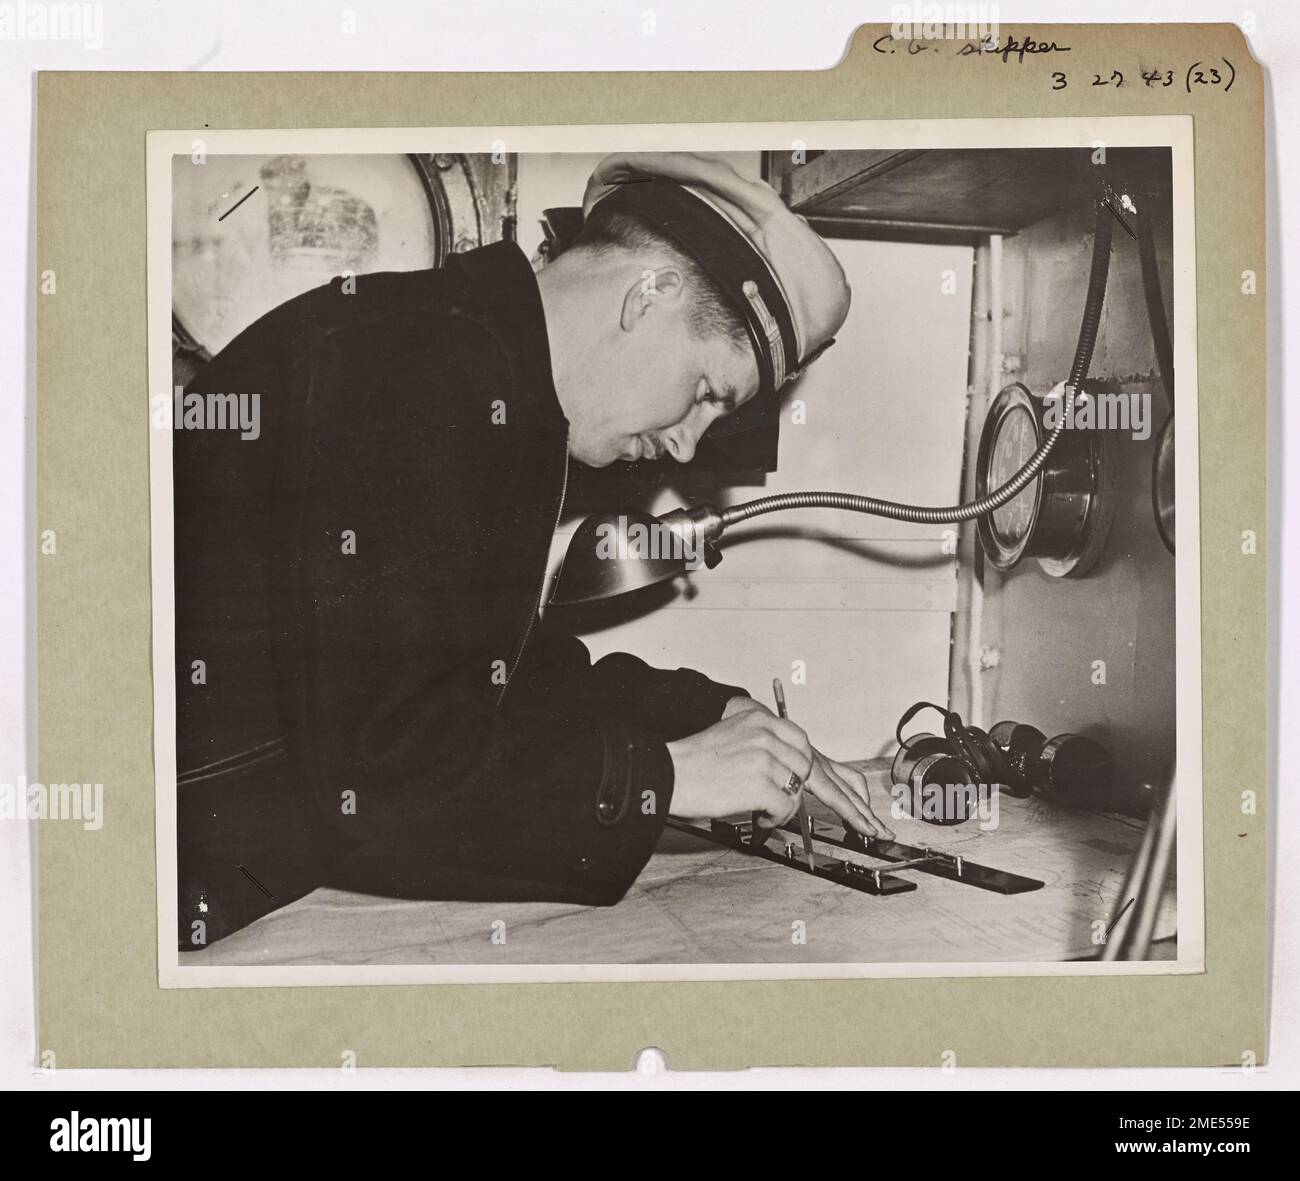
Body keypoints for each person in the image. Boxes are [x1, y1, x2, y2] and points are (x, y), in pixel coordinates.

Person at [175, 152, 892, 947]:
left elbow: (481, 679)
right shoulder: (418, 368)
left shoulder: (472, 363)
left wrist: (707, 714)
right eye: (706, 392)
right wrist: (673, 775)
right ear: (649, 294)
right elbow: (387, 767)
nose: (688, 448)